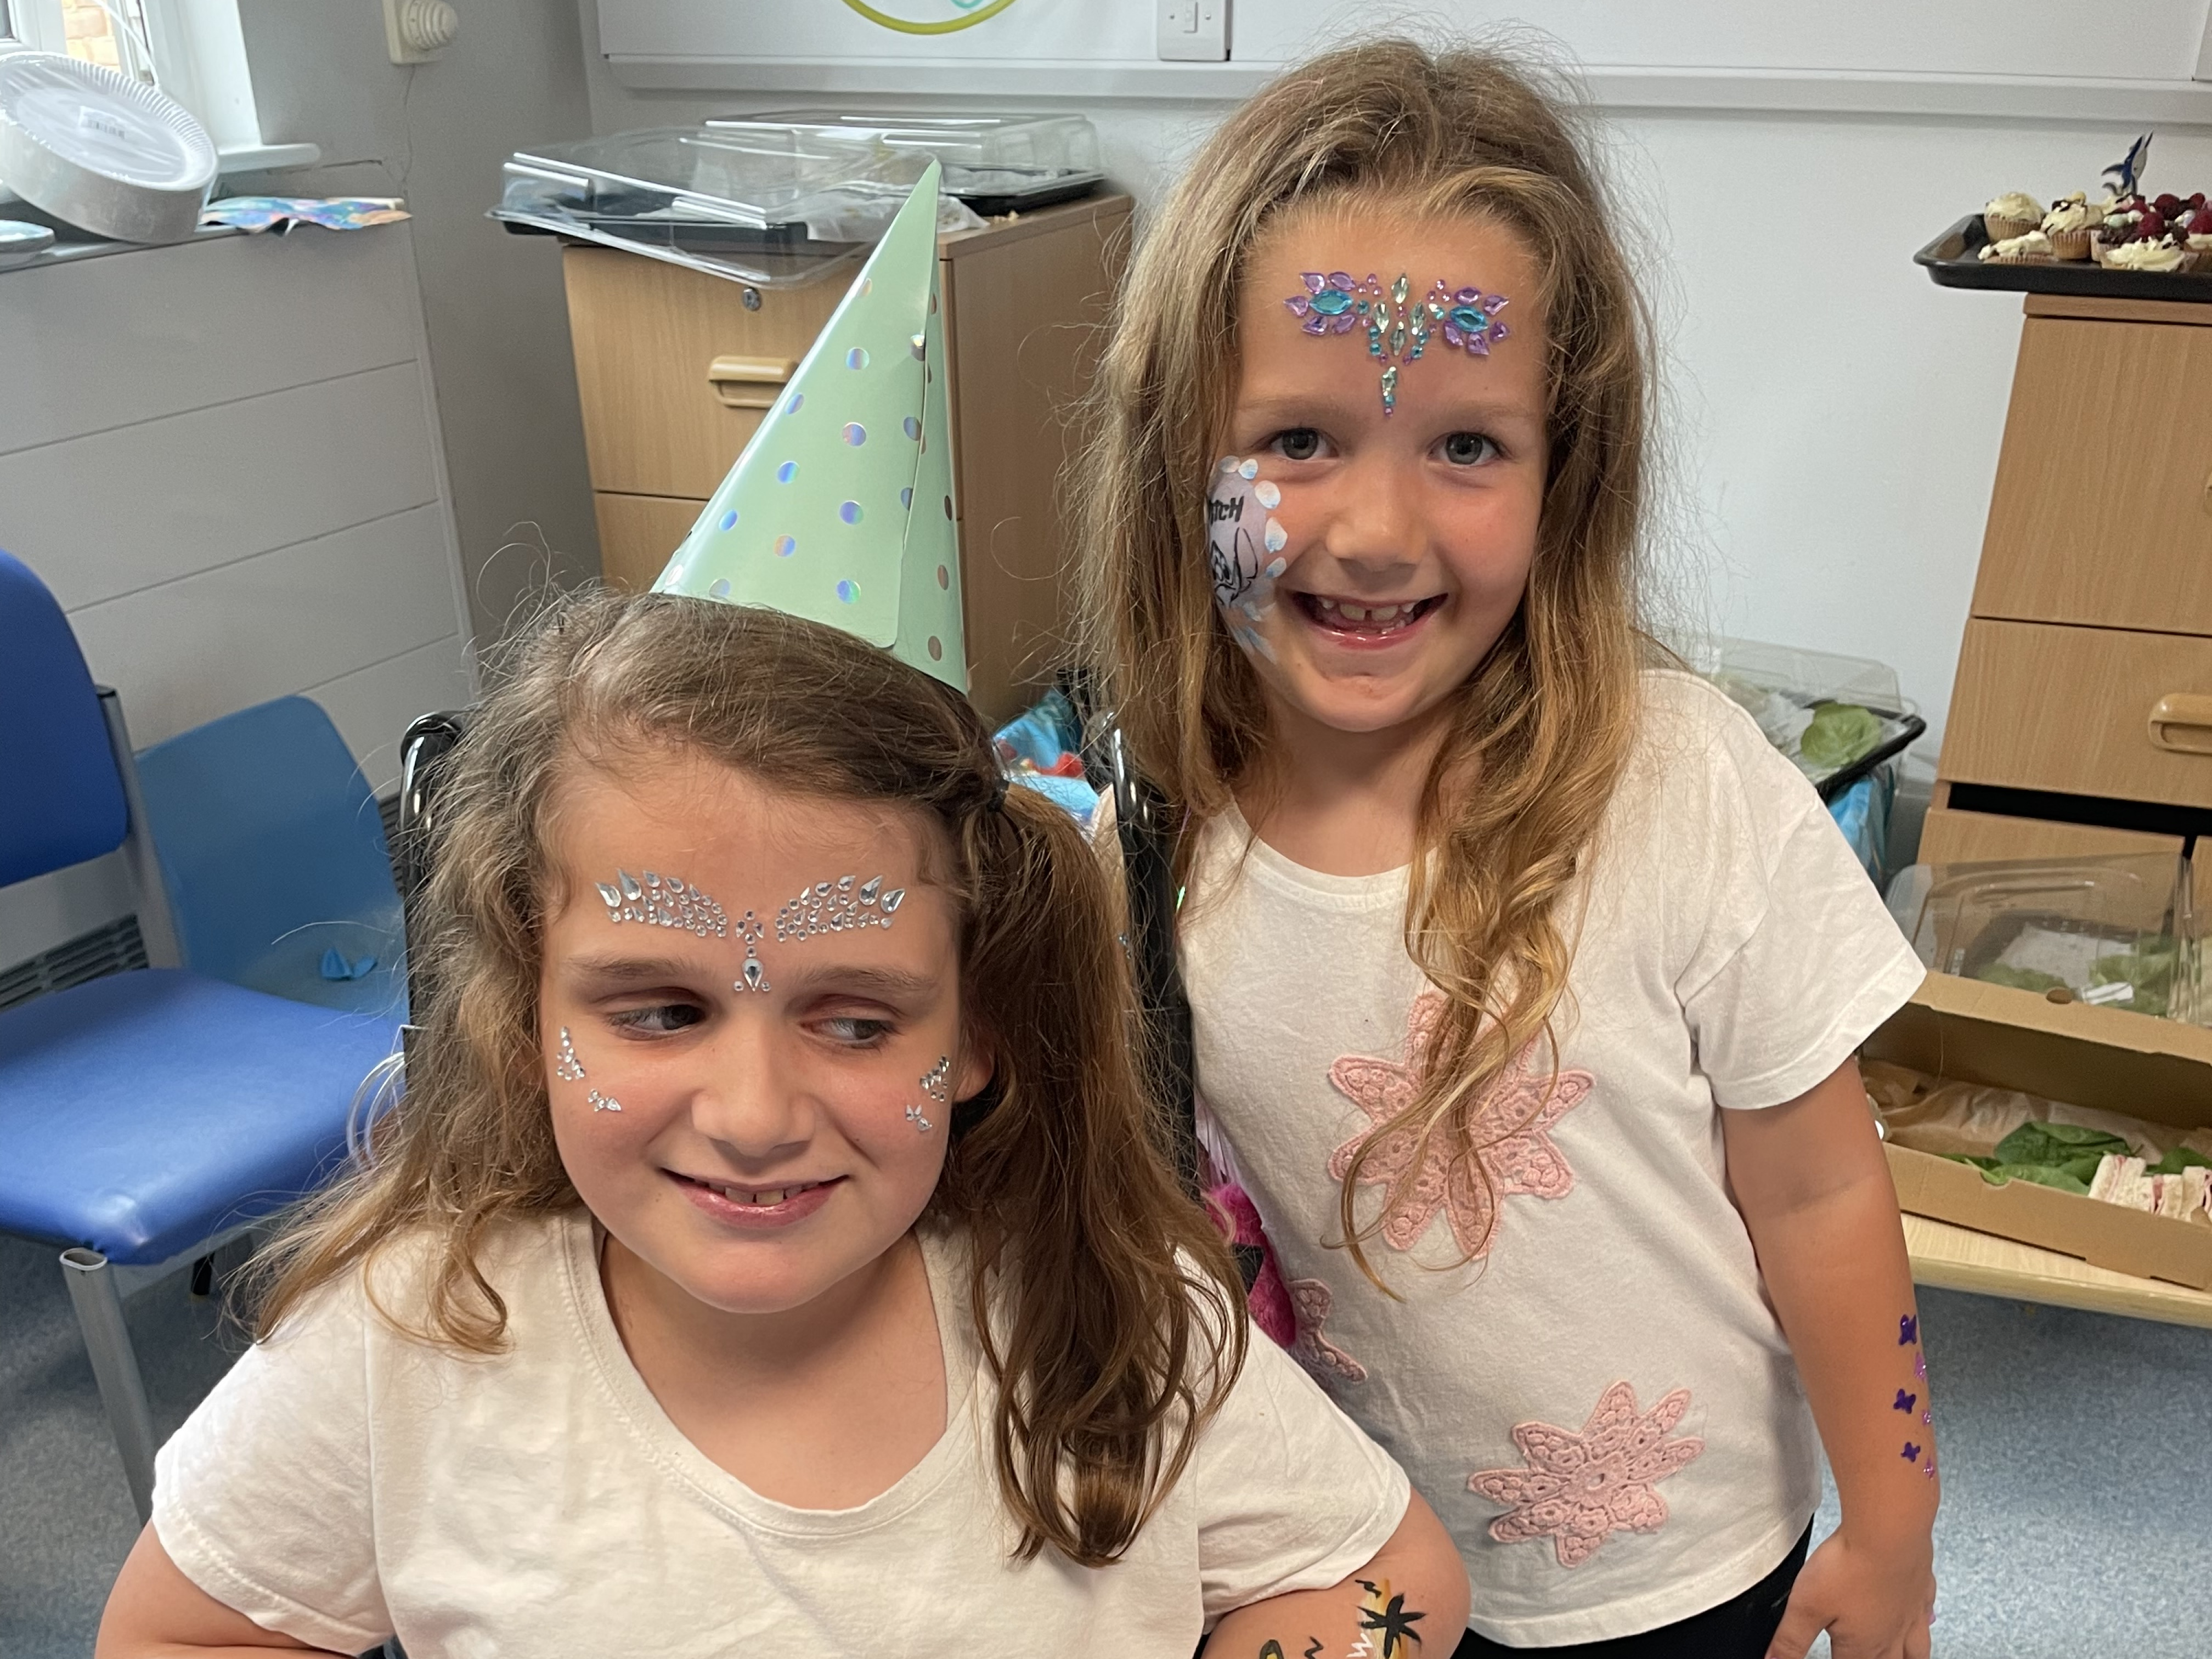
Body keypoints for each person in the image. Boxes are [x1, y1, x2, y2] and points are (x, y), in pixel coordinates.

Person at [95, 595, 1468, 1658]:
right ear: (522, 1014)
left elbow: (1388, 1573)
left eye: (858, 1024)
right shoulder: (411, 1341)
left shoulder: (1102, 1315)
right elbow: (185, 1626)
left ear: (975, 1031)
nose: (755, 1118)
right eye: (661, 1011)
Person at [1074, 39, 1937, 1659]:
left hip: (1695, 1566)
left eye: (1468, 447)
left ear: (1565, 475)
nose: (1379, 530)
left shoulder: (1685, 787)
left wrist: (1896, 1528)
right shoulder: (1152, 828)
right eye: (1300, 441)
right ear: (1174, 456)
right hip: (1360, 1558)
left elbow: (1820, 1189)